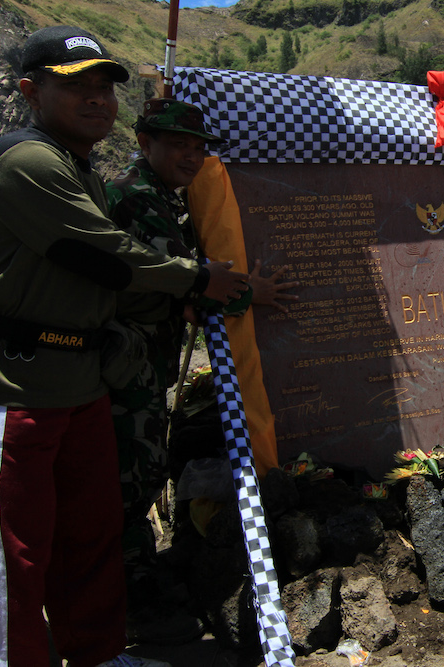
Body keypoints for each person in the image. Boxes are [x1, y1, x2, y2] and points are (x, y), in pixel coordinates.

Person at [0, 25, 249, 667]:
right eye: (78, 85)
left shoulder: (80, 170)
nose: (98, 98)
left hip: (80, 381)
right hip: (20, 387)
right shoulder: (29, 161)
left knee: (91, 535)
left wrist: (179, 294)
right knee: (13, 552)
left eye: (106, 86)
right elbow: (106, 257)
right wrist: (196, 279)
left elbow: (111, 284)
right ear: (30, 89)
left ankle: (99, 653)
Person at [106, 98, 297, 645]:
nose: (191, 156)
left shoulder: (162, 195)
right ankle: (134, 600)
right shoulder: (138, 197)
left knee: (139, 472)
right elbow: (188, 287)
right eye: (177, 145)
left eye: (198, 147)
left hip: (145, 363)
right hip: (128, 369)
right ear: (146, 144)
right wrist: (250, 292)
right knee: (129, 480)